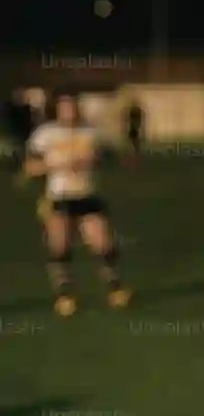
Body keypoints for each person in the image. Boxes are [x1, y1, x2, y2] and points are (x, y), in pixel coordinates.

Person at [25, 92, 129, 315]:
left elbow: (106, 157)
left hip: (87, 195)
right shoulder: (45, 134)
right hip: (59, 197)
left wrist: (93, 159)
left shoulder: (90, 132)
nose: (69, 111)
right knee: (60, 246)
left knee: (102, 242)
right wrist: (55, 165)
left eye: (72, 107)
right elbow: (30, 168)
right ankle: (64, 295)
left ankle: (115, 288)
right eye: (64, 107)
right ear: (57, 109)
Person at [123, 99, 145, 167]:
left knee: (134, 147)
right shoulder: (136, 111)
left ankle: (134, 161)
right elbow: (129, 120)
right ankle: (133, 161)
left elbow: (128, 120)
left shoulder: (135, 112)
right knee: (134, 147)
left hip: (134, 130)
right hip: (134, 130)